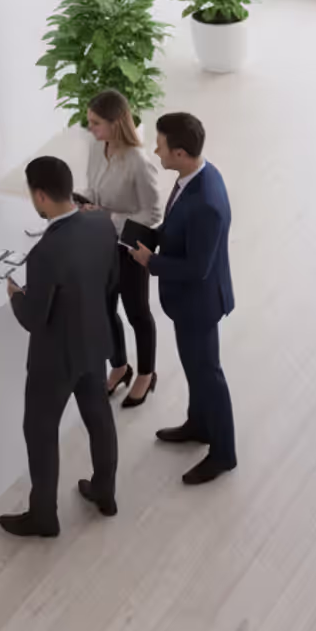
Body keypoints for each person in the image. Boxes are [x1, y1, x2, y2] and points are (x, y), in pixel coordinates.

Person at [0, 156, 122, 538]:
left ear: (40, 196)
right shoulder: (102, 224)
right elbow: (110, 282)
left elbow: (34, 319)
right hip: (94, 340)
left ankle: (44, 516)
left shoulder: (44, 252)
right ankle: (105, 491)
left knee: (39, 429)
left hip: (55, 358)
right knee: (98, 416)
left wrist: (16, 295)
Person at [130, 113, 236, 485]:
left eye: (160, 145)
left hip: (199, 304)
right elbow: (179, 227)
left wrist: (151, 261)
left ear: (179, 152)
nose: (155, 149)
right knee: (196, 369)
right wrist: (150, 237)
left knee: (209, 375)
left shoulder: (206, 201)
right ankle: (198, 425)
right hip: (187, 303)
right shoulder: (196, 176)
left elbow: (198, 268)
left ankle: (223, 453)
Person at [79, 89, 164, 407]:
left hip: (130, 247)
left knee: (136, 312)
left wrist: (109, 217)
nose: (91, 129)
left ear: (116, 124)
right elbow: (92, 184)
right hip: (100, 242)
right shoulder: (95, 146)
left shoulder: (139, 162)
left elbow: (153, 213)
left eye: (96, 123)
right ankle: (119, 366)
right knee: (104, 309)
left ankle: (146, 373)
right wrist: (84, 199)